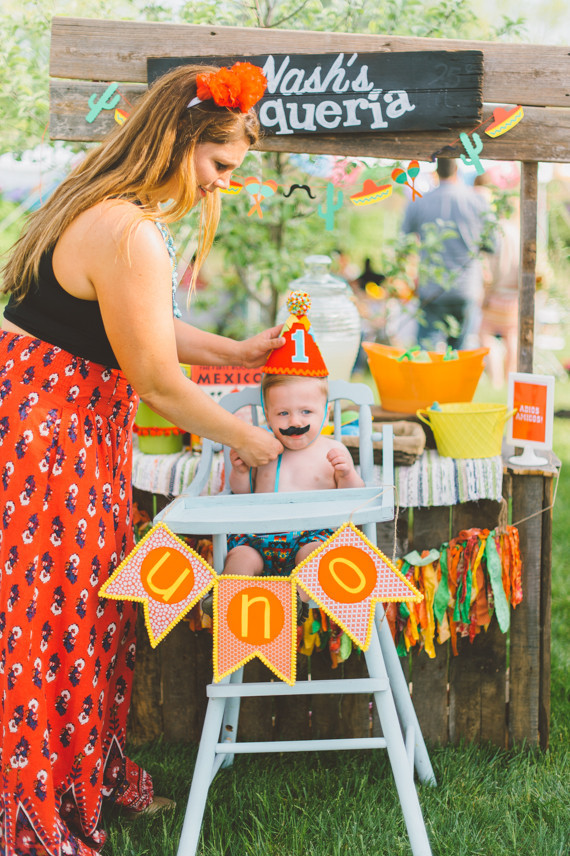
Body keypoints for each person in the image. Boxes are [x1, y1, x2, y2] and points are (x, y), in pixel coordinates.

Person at [0, 61, 284, 855]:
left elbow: (135, 324)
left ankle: (75, 775)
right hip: (48, 440)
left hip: (56, 428)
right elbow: (155, 376)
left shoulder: (107, 210)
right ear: (184, 139)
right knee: (52, 614)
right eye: (220, 166)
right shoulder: (129, 231)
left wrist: (233, 348)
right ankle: (34, 798)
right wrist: (247, 436)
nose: (223, 186)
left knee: (80, 609)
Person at [219, 294, 363, 609]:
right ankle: (226, 596)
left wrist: (347, 474)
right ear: (268, 414)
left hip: (309, 537)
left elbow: (355, 499)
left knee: (314, 556)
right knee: (238, 557)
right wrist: (241, 472)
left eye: (306, 413)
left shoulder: (332, 450)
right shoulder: (262, 447)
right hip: (258, 537)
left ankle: (297, 599)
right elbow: (242, 494)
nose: (294, 421)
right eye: (282, 414)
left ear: (324, 410)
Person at [402, 158, 495, 350]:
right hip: (466, 287)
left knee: (426, 351)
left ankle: (426, 380)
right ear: (457, 171)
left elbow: (404, 244)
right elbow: (494, 245)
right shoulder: (477, 201)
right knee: (459, 354)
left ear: (437, 171)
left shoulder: (419, 202)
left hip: (431, 288)